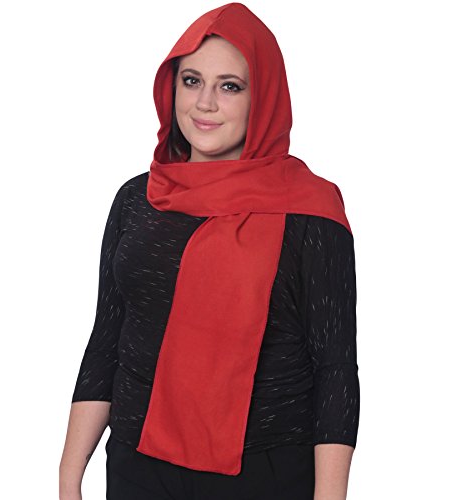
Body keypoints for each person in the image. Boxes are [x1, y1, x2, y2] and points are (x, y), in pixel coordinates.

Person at [59, 3, 360, 499]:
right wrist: (69, 478)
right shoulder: (138, 199)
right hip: (137, 465)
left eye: (230, 86)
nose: (205, 104)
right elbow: (108, 340)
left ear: (263, 97)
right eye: (192, 81)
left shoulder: (311, 214)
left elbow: (335, 370)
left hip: (264, 473)